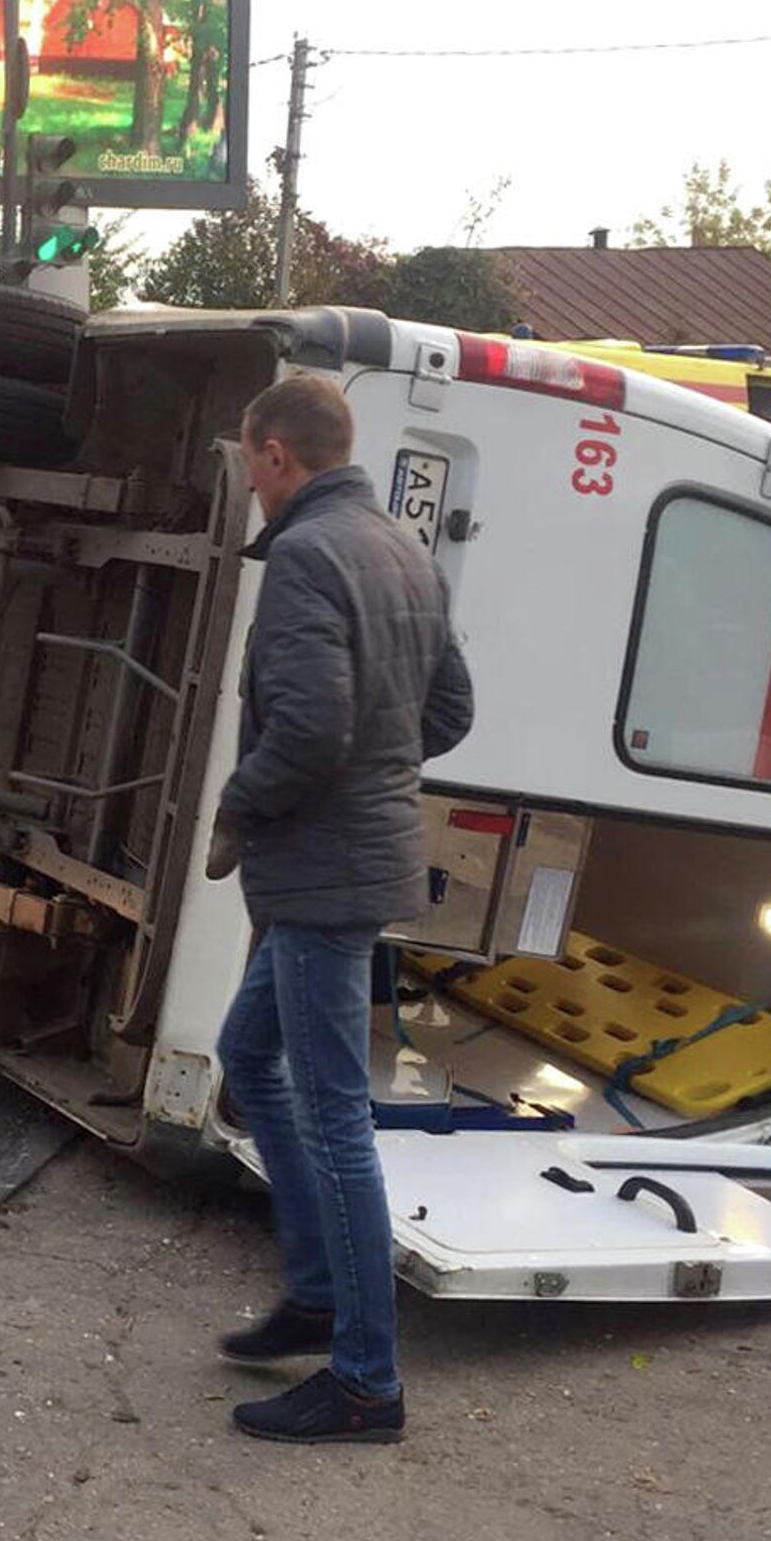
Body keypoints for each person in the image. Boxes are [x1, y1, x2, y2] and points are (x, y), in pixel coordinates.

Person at [208, 373, 472, 1443]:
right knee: (246, 1053)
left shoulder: (313, 554)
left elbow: (313, 727)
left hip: (322, 878)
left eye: (247, 460)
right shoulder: (401, 546)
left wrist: (240, 800)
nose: (248, 481)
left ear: (276, 454)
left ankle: (367, 1379)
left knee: (333, 1118)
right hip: (353, 861)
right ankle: (319, 1291)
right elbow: (448, 709)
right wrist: (379, 768)